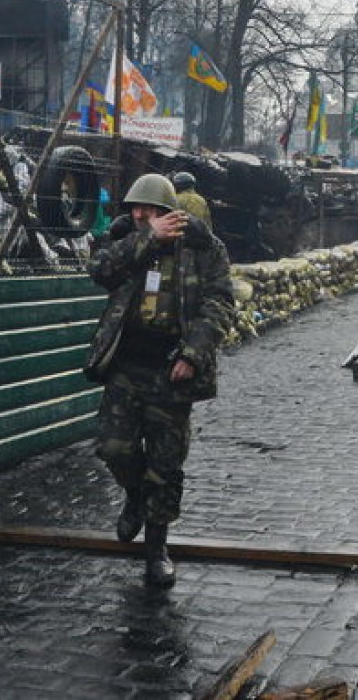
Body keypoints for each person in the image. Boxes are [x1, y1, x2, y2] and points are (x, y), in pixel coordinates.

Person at [86, 173, 234, 587]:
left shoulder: (204, 248)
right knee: (114, 447)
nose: (139, 215)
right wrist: (145, 237)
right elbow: (99, 270)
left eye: (148, 210)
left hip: (172, 371)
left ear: (170, 211)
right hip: (126, 367)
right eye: (135, 208)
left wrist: (193, 354)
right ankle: (133, 496)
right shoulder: (125, 240)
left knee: (165, 465)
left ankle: (156, 550)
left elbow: (220, 303)